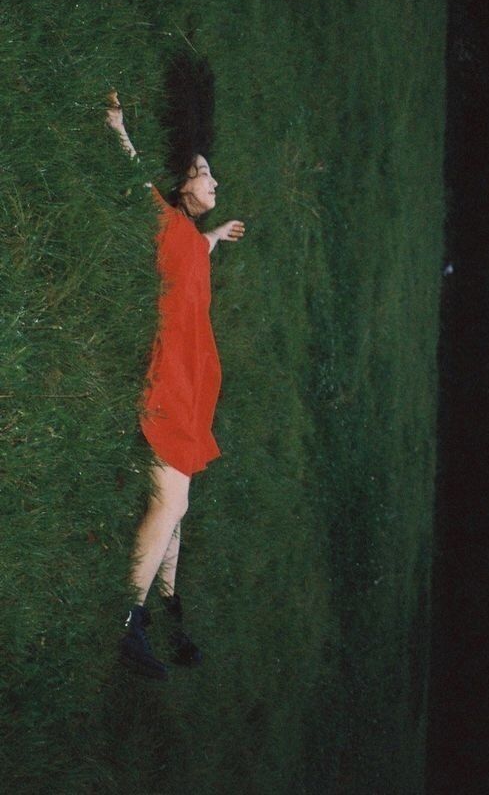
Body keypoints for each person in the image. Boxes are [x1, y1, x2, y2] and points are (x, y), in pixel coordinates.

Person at [106, 56, 245, 679]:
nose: (214, 180)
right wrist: (117, 127)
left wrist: (213, 238)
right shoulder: (166, 224)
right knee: (172, 495)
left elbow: (196, 256)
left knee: (180, 502)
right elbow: (136, 181)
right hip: (173, 376)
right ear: (181, 184)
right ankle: (126, 616)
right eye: (205, 173)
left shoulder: (191, 238)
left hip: (195, 388)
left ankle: (164, 601)